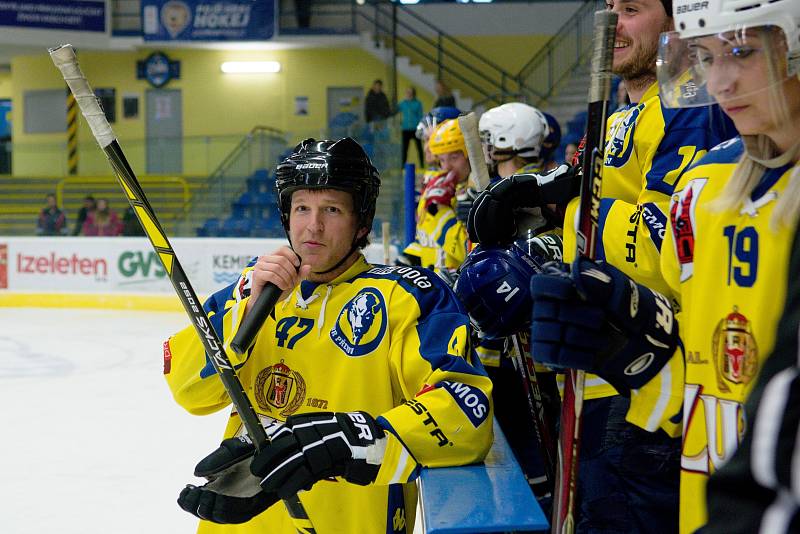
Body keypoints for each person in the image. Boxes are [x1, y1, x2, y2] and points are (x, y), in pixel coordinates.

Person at [528, 0, 800, 531]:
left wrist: (585, 214)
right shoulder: (705, 190)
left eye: (741, 52)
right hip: (707, 502)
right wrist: (642, 357)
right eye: (703, 56)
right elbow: (706, 364)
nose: (720, 81)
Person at [468, 0, 736, 531]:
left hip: (646, 383)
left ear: (676, 23)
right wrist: (538, 207)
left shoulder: (688, 106)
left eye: (632, 9)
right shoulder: (621, 118)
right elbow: (587, 216)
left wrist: (561, 218)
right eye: (608, 7)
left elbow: (669, 246)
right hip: (595, 374)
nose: (613, 22)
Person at [164, 137, 494, 534]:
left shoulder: (406, 296)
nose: (312, 226)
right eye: (301, 207)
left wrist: (355, 441)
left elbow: (465, 412)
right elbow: (188, 390)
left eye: (332, 209)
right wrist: (245, 313)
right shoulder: (253, 288)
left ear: (362, 222)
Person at [402, 119, 470, 271]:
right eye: (442, 159)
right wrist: (412, 257)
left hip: (457, 287)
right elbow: (425, 235)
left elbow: (469, 252)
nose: (446, 167)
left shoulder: (479, 192)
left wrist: (439, 213)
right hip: (434, 284)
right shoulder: (438, 185)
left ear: (470, 153)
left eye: (454, 158)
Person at [397, 87, 424, 167]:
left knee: (419, 148)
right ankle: (403, 166)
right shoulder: (402, 103)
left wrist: (420, 128)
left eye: (410, 92)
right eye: (407, 92)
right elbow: (396, 110)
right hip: (405, 129)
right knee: (404, 149)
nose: (408, 94)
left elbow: (420, 116)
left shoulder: (418, 103)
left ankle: (422, 165)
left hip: (416, 128)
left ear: (413, 93)